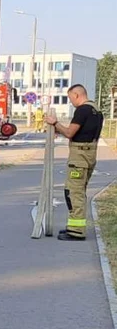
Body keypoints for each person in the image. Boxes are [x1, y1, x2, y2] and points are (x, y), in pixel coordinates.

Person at [45, 84, 104, 240]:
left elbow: (70, 132)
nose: (71, 101)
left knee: (73, 192)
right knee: (79, 192)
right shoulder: (96, 110)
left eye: (70, 97)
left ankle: (76, 231)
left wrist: (54, 123)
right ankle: (75, 227)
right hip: (90, 155)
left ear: (77, 95)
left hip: (79, 157)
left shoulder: (82, 110)